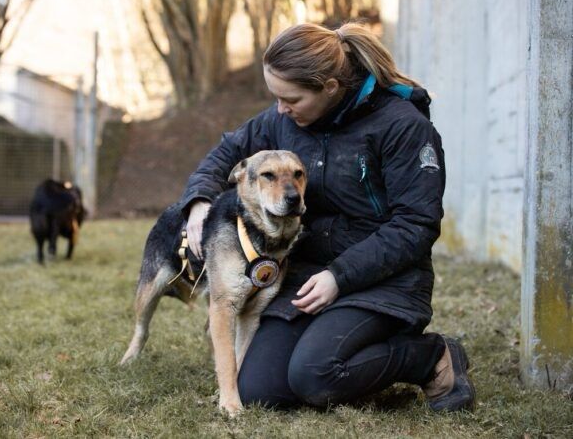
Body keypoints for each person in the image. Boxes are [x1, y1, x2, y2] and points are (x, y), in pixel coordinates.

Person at [179, 22, 475, 412]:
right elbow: (227, 151)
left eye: (292, 99)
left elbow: (415, 225)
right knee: (259, 392)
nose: (281, 109)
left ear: (330, 88)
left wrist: (340, 276)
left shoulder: (402, 126)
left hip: (385, 283)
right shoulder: (282, 120)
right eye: (277, 98)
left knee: (315, 375)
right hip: (305, 279)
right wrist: (199, 200)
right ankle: (335, 347)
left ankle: (431, 357)